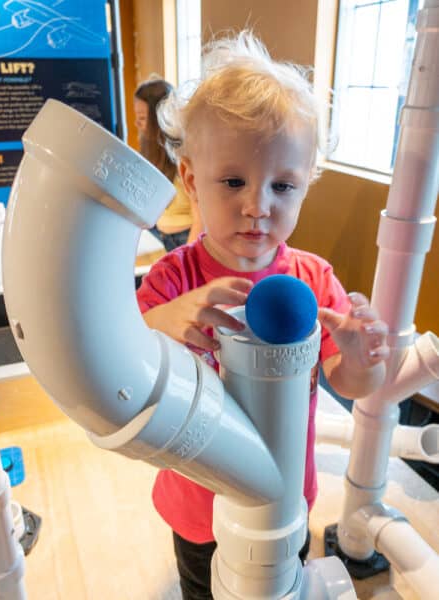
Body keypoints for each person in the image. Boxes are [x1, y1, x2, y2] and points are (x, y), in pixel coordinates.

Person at [137, 32, 389, 599]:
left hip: (283, 498)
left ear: (305, 186)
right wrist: (164, 320)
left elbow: (350, 382)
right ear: (191, 178)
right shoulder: (171, 279)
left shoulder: (314, 280)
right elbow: (119, 360)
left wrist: (361, 358)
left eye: (283, 185)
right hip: (200, 506)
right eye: (233, 182)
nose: (258, 205)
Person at [134, 78, 203, 251]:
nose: (137, 124)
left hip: (185, 238)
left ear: (159, 119)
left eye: (142, 118)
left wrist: (189, 256)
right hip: (161, 236)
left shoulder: (183, 155)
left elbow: (201, 218)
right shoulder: (152, 153)